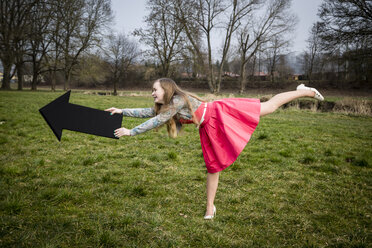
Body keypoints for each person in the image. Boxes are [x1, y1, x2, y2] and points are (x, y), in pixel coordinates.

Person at [105, 78, 324, 220]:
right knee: (213, 167)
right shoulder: (170, 104)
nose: (152, 93)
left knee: (269, 107)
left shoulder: (179, 100)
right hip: (208, 127)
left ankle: (303, 91)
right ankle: (210, 208)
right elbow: (149, 113)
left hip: (220, 114)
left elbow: (157, 120)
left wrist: (131, 132)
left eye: (155, 89)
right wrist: (122, 110)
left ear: (166, 89)